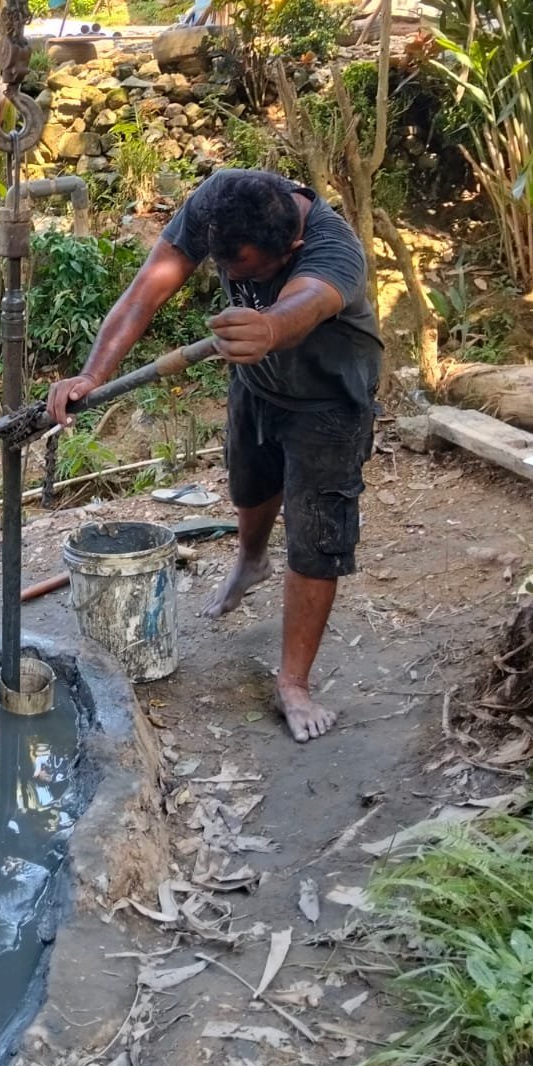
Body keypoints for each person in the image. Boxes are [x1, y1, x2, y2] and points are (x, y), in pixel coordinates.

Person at [47, 168, 382, 743]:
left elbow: (305, 303)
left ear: (291, 248)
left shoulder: (334, 249)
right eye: (224, 269)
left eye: (245, 274)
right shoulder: (219, 203)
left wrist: (270, 328)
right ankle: (250, 561)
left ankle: (293, 684)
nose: (230, 280)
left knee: (315, 536)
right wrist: (92, 374)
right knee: (249, 485)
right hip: (258, 384)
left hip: (329, 399)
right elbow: (147, 289)